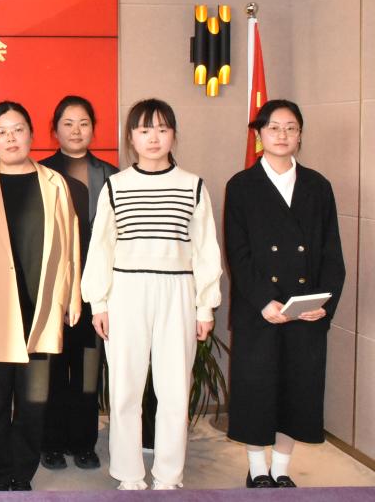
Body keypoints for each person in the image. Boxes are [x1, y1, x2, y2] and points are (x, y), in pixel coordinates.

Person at [82, 98, 222, 491]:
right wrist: (99, 302)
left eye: (162, 129)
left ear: (174, 134)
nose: (154, 138)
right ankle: (128, 474)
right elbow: (101, 248)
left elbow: (205, 249)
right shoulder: (116, 186)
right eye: (145, 130)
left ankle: (168, 476)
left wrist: (205, 307)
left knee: (174, 390)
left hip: (178, 290)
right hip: (127, 290)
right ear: (131, 138)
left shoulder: (193, 186)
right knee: (125, 389)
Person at [0, 101, 82, 491]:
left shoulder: (54, 184)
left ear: (32, 134)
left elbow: (71, 244)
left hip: (41, 309)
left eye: (18, 129)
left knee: (33, 402)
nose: (11, 138)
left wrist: (73, 296)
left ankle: (22, 473)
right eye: (2, 132)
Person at [224, 99, 345, 489]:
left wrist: (324, 304)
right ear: (260, 134)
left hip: (304, 309)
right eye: (274, 127)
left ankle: (281, 468)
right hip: (259, 308)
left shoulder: (318, 186)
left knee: (298, 389)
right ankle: (256, 468)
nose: (282, 135)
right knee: (257, 389)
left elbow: (331, 253)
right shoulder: (241, 186)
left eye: (291, 128)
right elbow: (238, 253)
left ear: (300, 135)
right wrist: (264, 300)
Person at [39, 95, 117, 470]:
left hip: (95, 290)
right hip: (52, 289)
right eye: (68, 123)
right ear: (54, 130)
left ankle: (84, 442)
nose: (76, 130)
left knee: (88, 368)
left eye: (83, 123)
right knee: (51, 367)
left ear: (93, 129)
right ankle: (51, 442)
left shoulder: (112, 176)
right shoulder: (40, 172)